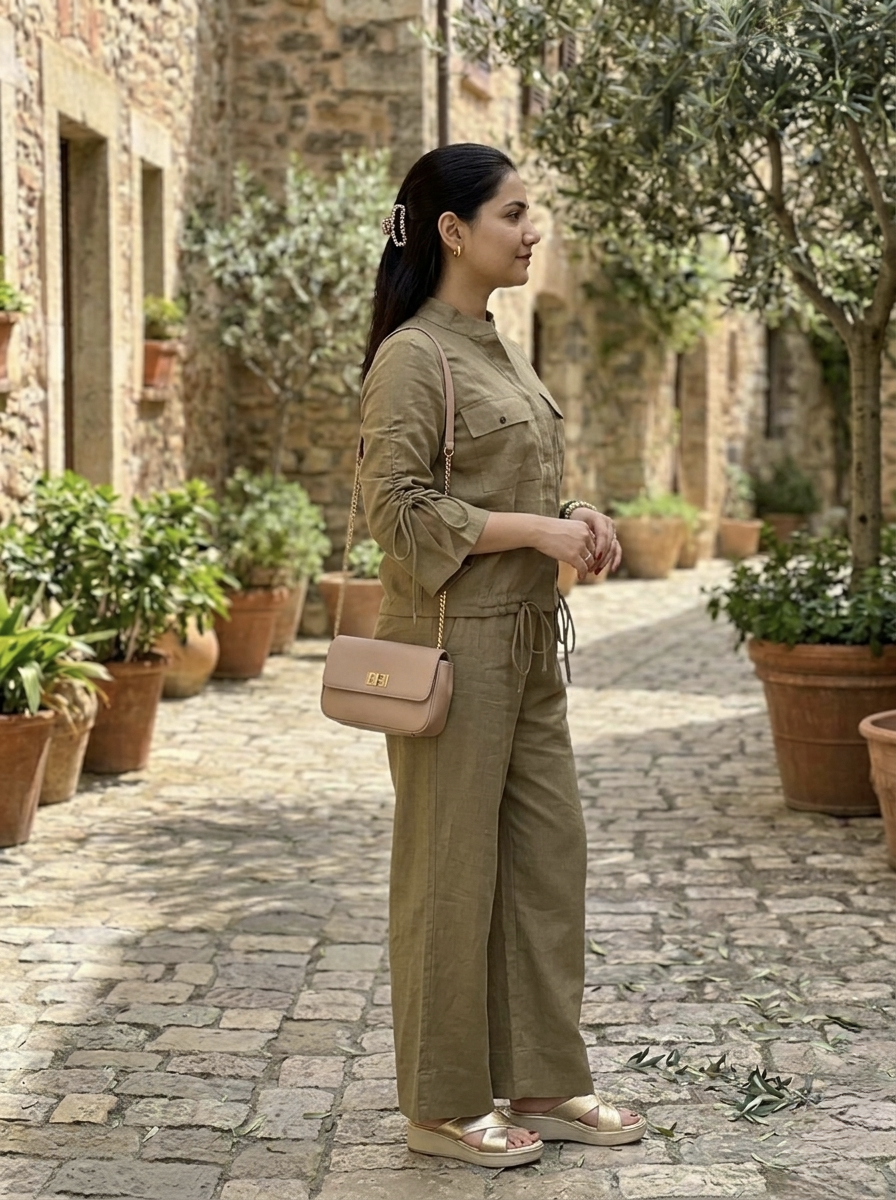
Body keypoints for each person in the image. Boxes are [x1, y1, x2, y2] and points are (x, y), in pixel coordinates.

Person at [358, 143, 645, 1169]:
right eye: (514, 213)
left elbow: (505, 481)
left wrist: (573, 515)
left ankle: (543, 1078)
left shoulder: (495, 348)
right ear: (452, 230)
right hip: (450, 649)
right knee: (449, 872)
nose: (532, 232)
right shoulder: (412, 356)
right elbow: (393, 513)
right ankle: (440, 1104)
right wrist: (533, 533)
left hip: (527, 646)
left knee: (542, 860)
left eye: (534, 213)